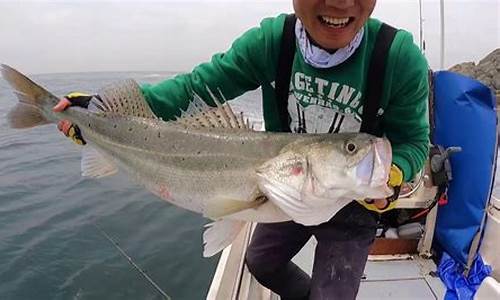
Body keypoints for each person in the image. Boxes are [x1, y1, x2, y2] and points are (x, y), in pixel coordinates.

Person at [54, 0, 430, 299]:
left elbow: (413, 143)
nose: (339, 1)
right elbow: (192, 90)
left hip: (352, 204)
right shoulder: (271, 41)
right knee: (260, 262)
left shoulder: (398, 57)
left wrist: (394, 172)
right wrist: (99, 113)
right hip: (285, 188)